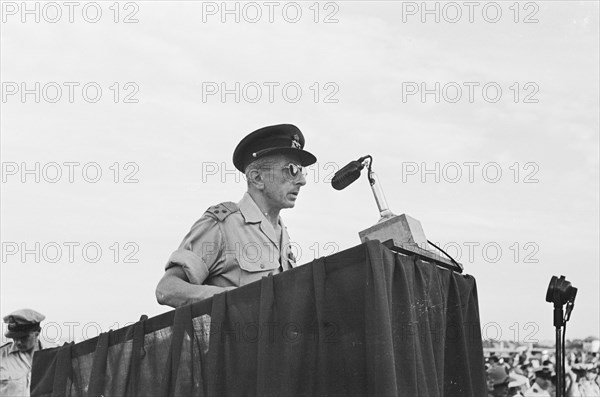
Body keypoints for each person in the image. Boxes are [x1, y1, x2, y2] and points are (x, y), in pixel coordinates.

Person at [156, 124, 317, 308]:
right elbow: (167, 289)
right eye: (291, 170)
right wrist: (237, 299)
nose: (302, 181)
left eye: (301, 170)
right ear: (257, 178)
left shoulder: (282, 233)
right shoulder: (222, 226)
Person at [0, 309, 46, 397]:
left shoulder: (51, 359)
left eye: (24, 337)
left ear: (38, 332)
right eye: (14, 337)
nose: (18, 342)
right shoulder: (1, 358)